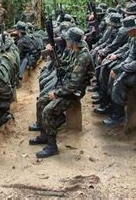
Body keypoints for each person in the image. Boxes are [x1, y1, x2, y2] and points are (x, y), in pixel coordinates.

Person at [29, 27, 94, 158]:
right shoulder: (76, 52)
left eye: (68, 40)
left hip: (73, 92)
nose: (66, 41)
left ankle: (52, 146)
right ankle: (44, 135)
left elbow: (74, 85)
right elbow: (67, 67)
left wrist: (57, 93)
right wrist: (55, 58)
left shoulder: (83, 56)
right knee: (41, 102)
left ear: (73, 42)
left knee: (48, 110)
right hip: (67, 87)